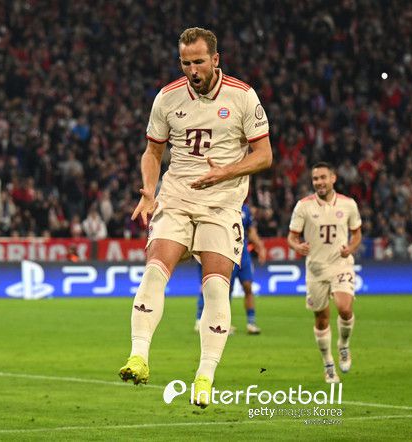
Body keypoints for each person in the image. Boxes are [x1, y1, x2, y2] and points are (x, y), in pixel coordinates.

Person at [118, 27, 272, 408]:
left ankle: (204, 376)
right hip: (176, 197)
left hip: (222, 204)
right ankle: (138, 356)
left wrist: (225, 172)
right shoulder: (167, 97)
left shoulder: (242, 96)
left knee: (216, 287)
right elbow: (153, 152)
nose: (192, 70)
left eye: (199, 62)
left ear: (215, 59)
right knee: (155, 270)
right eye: (185, 63)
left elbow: (264, 155)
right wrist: (149, 190)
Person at [287, 162, 362, 383]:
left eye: (323, 177)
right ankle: (328, 363)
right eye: (315, 179)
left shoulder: (348, 204)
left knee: (344, 308)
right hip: (316, 269)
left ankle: (344, 345)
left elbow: (357, 234)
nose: (319, 182)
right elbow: (291, 237)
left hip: (341, 264)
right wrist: (297, 246)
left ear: (333, 178)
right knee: (321, 318)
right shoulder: (303, 206)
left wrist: (351, 248)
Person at [195, 202, 267, 335]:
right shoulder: (222, 205)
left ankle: (251, 323)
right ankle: (221, 323)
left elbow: (251, 231)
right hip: (227, 252)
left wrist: (260, 247)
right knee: (225, 289)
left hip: (243, 254)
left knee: (248, 287)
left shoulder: (245, 209)